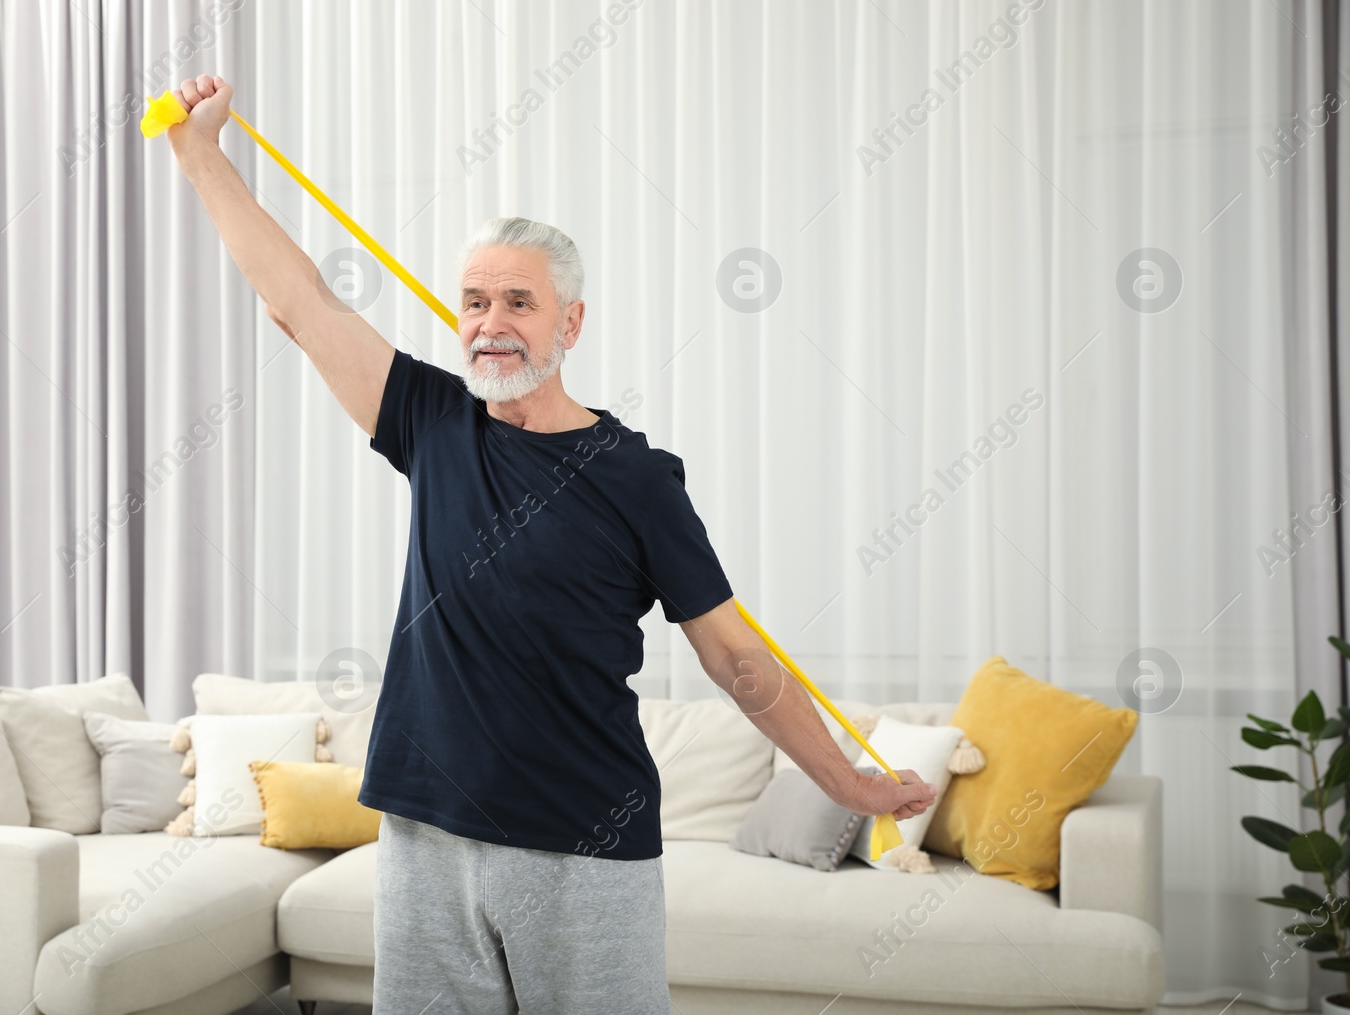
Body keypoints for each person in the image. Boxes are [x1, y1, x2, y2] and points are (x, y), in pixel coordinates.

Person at [161, 73, 937, 1015]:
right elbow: (301, 303)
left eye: (518, 303)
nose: (490, 325)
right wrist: (199, 154)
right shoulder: (432, 422)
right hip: (425, 836)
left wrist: (845, 781)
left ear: (569, 323)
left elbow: (736, 657)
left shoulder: (637, 477)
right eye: (475, 301)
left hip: (584, 844)